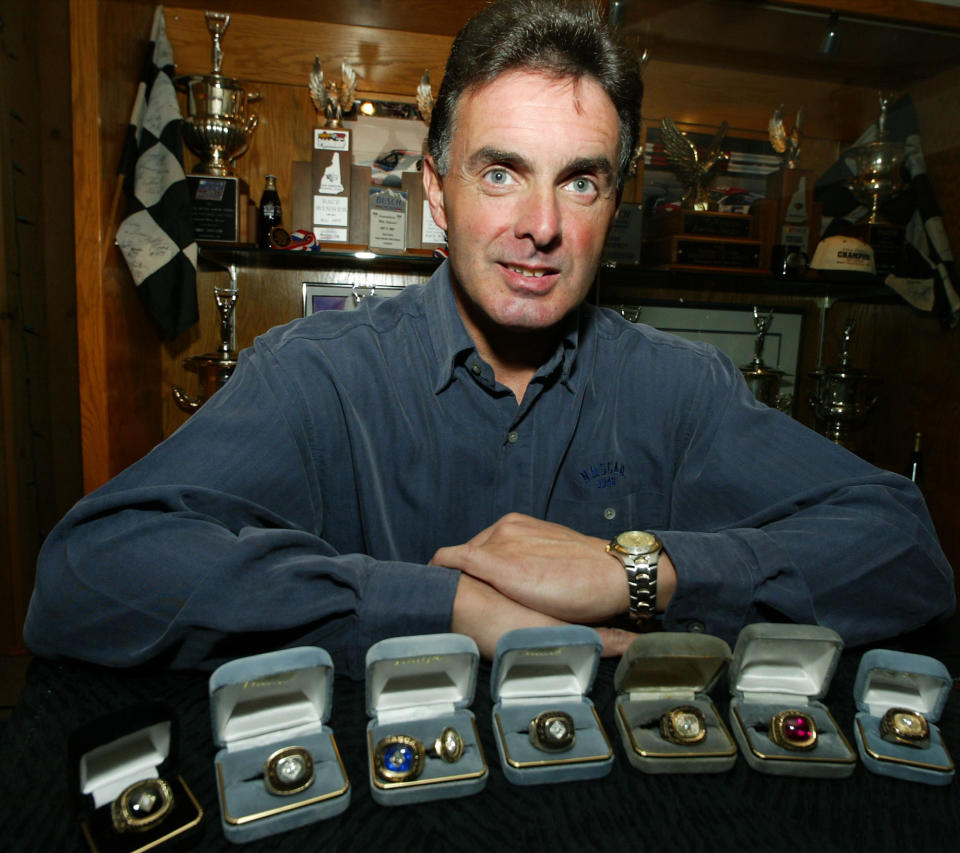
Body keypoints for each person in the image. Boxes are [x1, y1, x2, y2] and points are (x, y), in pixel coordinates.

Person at [24, 0, 954, 679]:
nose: (541, 226)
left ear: (613, 205)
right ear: (436, 192)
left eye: (581, 182)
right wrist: (444, 608)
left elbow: (905, 552)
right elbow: (86, 577)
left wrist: (639, 571)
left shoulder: (679, 389)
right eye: (502, 172)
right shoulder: (318, 378)